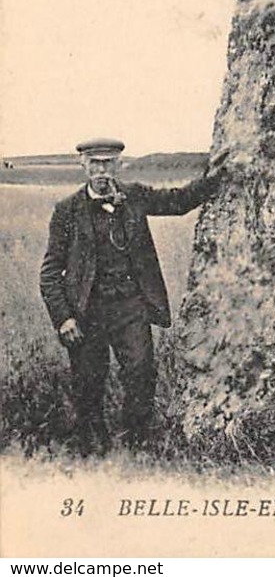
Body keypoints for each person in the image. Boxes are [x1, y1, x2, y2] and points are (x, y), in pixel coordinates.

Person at [39, 137, 225, 456]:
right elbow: (50, 272)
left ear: (120, 165)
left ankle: (137, 441)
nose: (102, 170)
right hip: (86, 312)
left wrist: (219, 177)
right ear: (83, 165)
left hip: (130, 307)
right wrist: (64, 318)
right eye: (95, 163)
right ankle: (93, 446)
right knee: (88, 382)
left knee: (141, 372)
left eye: (108, 163)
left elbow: (178, 202)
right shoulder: (67, 210)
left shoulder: (135, 196)